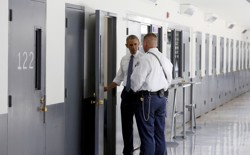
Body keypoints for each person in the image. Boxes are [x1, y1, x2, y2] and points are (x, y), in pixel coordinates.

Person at [130, 33, 173, 155]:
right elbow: (169, 80)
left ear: (144, 44)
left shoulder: (145, 59)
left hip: (148, 100)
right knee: (159, 133)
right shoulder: (165, 59)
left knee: (147, 135)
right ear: (156, 44)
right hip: (162, 98)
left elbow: (136, 82)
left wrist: (134, 90)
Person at [104, 35, 144, 155]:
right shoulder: (124, 59)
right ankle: (128, 151)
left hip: (139, 95)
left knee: (142, 125)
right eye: (130, 45)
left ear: (139, 44)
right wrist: (106, 88)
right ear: (126, 45)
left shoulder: (144, 58)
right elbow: (119, 78)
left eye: (135, 44)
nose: (133, 47)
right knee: (126, 127)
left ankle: (145, 150)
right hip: (126, 95)